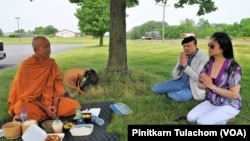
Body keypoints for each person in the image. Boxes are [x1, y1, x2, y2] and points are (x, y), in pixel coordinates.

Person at [8, 36, 81, 122]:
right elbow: (26, 95)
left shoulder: (51, 64)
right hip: (34, 104)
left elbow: (57, 89)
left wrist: (55, 106)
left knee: (75, 105)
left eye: (49, 46)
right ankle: (47, 114)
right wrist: (46, 109)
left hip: (51, 101)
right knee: (21, 109)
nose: (49, 50)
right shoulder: (26, 66)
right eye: (45, 47)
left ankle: (48, 114)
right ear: (36, 50)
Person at [187, 32, 242, 125]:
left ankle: (227, 118)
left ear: (223, 48)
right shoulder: (209, 64)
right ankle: (223, 119)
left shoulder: (233, 67)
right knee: (190, 118)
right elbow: (200, 84)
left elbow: (234, 95)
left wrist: (212, 86)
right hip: (212, 101)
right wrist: (203, 85)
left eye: (212, 46)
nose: (209, 48)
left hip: (229, 104)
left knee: (202, 122)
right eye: (208, 45)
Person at [151, 36, 208, 102]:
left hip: (191, 87)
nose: (185, 48)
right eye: (184, 46)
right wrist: (180, 66)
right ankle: (174, 90)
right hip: (179, 82)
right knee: (155, 89)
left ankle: (171, 92)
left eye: (188, 46)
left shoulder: (203, 58)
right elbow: (175, 74)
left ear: (195, 45)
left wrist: (185, 66)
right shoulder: (183, 56)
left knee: (182, 97)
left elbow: (198, 78)